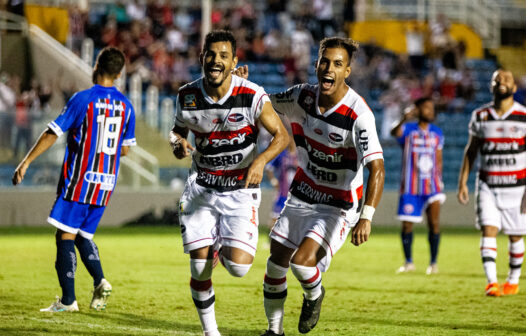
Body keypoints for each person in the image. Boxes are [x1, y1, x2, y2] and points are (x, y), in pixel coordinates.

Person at [238, 36, 385, 336]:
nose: (329, 68)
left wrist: (367, 217)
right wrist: (246, 87)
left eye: (338, 64)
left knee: (302, 265)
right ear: (317, 64)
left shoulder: (359, 114)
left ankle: (314, 294)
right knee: (275, 263)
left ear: (348, 71)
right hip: (303, 194)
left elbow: (377, 168)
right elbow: (265, 102)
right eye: (325, 62)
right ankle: (274, 330)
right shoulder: (301, 97)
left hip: (339, 204)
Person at [170, 30, 288, 336]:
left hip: (239, 191)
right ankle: (211, 332)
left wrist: (260, 161)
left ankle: (218, 245)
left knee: (239, 267)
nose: (216, 60)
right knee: (199, 267)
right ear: (202, 58)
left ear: (234, 61)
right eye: (211, 54)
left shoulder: (251, 95)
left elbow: (282, 137)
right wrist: (178, 143)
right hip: (201, 188)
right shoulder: (187, 96)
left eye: (224, 55)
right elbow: (177, 132)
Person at [12, 47, 136, 312]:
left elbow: (52, 131)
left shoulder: (84, 99)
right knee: (82, 235)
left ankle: (68, 301)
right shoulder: (127, 106)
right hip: (105, 184)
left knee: (65, 237)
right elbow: (124, 149)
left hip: (80, 180)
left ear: (96, 66)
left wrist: (26, 161)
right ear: (119, 73)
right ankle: (100, 280)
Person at [458, 69, 526, 297]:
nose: (502, 82)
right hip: (488, 186)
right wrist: (463, 182)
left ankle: (513, 280)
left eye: (507, 78)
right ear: (491, 86)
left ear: (514, 87)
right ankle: (491, 282)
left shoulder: (524, 116)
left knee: (516, 235)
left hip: (518, 188)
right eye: (497, 79)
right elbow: (471, 151)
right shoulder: (480, 115)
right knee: (488, 230)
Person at [390, 97, 445, 275]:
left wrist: (440, 179)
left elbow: (439, 158)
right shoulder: (408, 129)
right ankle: (408, 262)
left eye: (432, 108)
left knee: (434, 224)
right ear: (418, 110)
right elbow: (393, 132)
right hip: (410, 188)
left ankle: (434, 263)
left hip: (432, 186)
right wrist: (405, 117)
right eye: (426, 108)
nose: (430, 111)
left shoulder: (437, 132)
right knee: (407, 226)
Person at [265, 140, 298, 228]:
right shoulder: (282, 155)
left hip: (296, 194)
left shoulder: (300, 156)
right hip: (282, 192)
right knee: (275, 217)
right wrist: (273, 180)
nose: (292, 142)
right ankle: (271, 239)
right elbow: (269, 167)